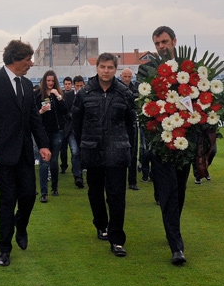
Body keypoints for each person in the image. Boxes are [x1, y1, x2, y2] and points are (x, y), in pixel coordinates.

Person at [0, 39, 51, 267]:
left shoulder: (27, 85)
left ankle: (21, 224)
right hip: (0, 154)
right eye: (28, 59)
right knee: (8, 198)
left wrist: (43, 144)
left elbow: (34, 119)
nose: (31, 63)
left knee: (28, 195)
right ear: (15, 59)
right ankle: (4, 248)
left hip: (24, 153)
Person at [71, 54, 136, 258]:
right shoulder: (84, 93)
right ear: (97, 68)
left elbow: (131, 124)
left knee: (117, 196)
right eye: (102, 67)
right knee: (95, 193)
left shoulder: (125, 93)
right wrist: (85, 143)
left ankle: (117, 240)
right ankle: (101, 224)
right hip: (92, 150)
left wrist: (126, 146)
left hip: (117, 151)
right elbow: (76, 124)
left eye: (110, 67)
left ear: (116, 69)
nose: (106, 71)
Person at [138, 26, 190, 265]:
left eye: (164, 42)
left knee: (180, 191)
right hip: (159, 142)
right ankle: (176, 246)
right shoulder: (146, 70)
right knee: (168, 191)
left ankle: (173, 227)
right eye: (157, 43)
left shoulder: (188, 68)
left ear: (174, 41)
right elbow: (143, 104)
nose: (161, 47)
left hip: (184, 140)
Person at [35, 70, 67, 203]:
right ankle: (44, 193)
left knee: (54, 161)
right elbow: (33, 115)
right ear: (44, 81)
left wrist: (58, 96)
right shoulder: (38, 95)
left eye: (52, 81)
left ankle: (54, 187)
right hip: (43, 132)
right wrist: (41, 111)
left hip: (57, 132)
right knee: (44, 162)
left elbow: (65, 110)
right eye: (48, 80)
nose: (50, 83)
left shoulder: (57, 94)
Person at [119, 68, 141, 191]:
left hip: (132, 124)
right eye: (125, 76)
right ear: (121, 76)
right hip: (119, 125)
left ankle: (132, 181)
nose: (127, 79)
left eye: (129, 77)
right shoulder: (116, 88)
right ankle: (120, 181)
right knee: (120, 153)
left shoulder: (135, 89)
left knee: (133, 153)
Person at [59, 76, 83, 188]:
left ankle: (78, 170)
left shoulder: (87, 95)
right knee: (75, 151)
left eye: (81, 85)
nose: (79, 87)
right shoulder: (68, 96)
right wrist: (71, 115)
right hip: (72, 128)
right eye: (77, 85)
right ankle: (78, 176)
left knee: (80, 152)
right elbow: (64, 111)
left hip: (84, 129)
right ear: (74, 85)